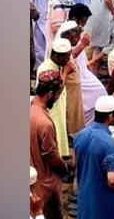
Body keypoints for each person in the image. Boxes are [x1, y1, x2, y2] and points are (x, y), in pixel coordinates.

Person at [74, 96, 114, 219]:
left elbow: (76, 164)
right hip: (104, 203)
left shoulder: (80, 136)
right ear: (110, 117)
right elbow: (112, 180)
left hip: (85, 199)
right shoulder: (109, 143)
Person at [30, 69, 68, 219]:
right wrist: (64, 169)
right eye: (58, 95)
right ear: (50, 94)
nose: (58, 98)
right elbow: (51, 157)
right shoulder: (44, 123)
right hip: (45, 184)